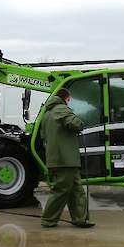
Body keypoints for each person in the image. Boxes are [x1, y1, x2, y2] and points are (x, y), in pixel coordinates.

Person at [39, 88, 94, 228]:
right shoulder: (61, 109)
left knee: (76, 189)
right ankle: (48, 219)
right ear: (66, 98)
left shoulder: (47, 114)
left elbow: (43, 136)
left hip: (59, 159)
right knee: (61, 190)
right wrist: (81, 122)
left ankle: (80, 219)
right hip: (65, 159)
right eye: (69, 100)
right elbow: (75, 123)